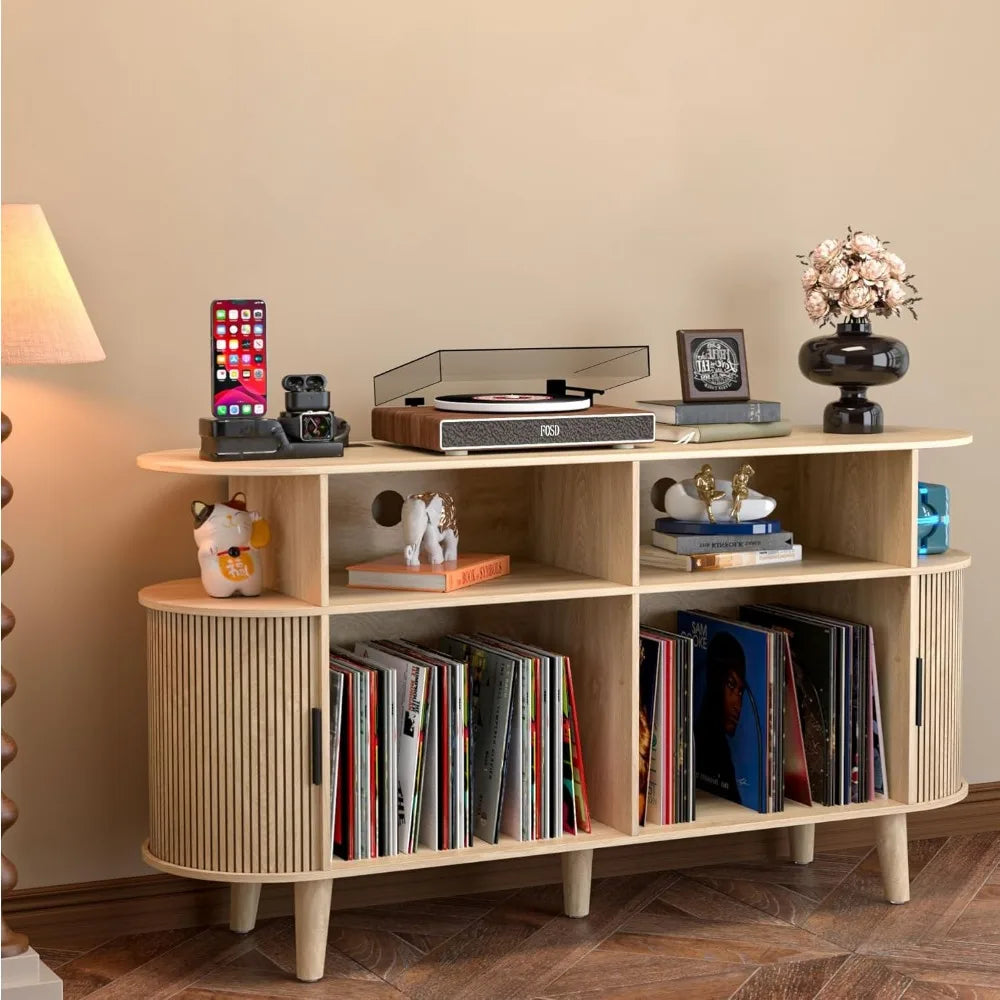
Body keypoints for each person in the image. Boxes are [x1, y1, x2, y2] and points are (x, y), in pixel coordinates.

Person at [693, 631, 747, 804]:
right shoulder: (702, 744)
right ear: (715, 681)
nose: (737, 704)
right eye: (731, 685)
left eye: (740, 691)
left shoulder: (718, 747)